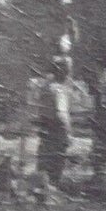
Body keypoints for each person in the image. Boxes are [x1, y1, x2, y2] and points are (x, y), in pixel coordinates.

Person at [34, 55, 75, 197]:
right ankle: (51, 190)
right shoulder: (59, 90)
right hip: (58, 129)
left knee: (44, 160)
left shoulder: (45, 86)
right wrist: (69, 133)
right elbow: (61, 114)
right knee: (57, 162)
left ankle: (41, 189)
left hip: (45, 127)